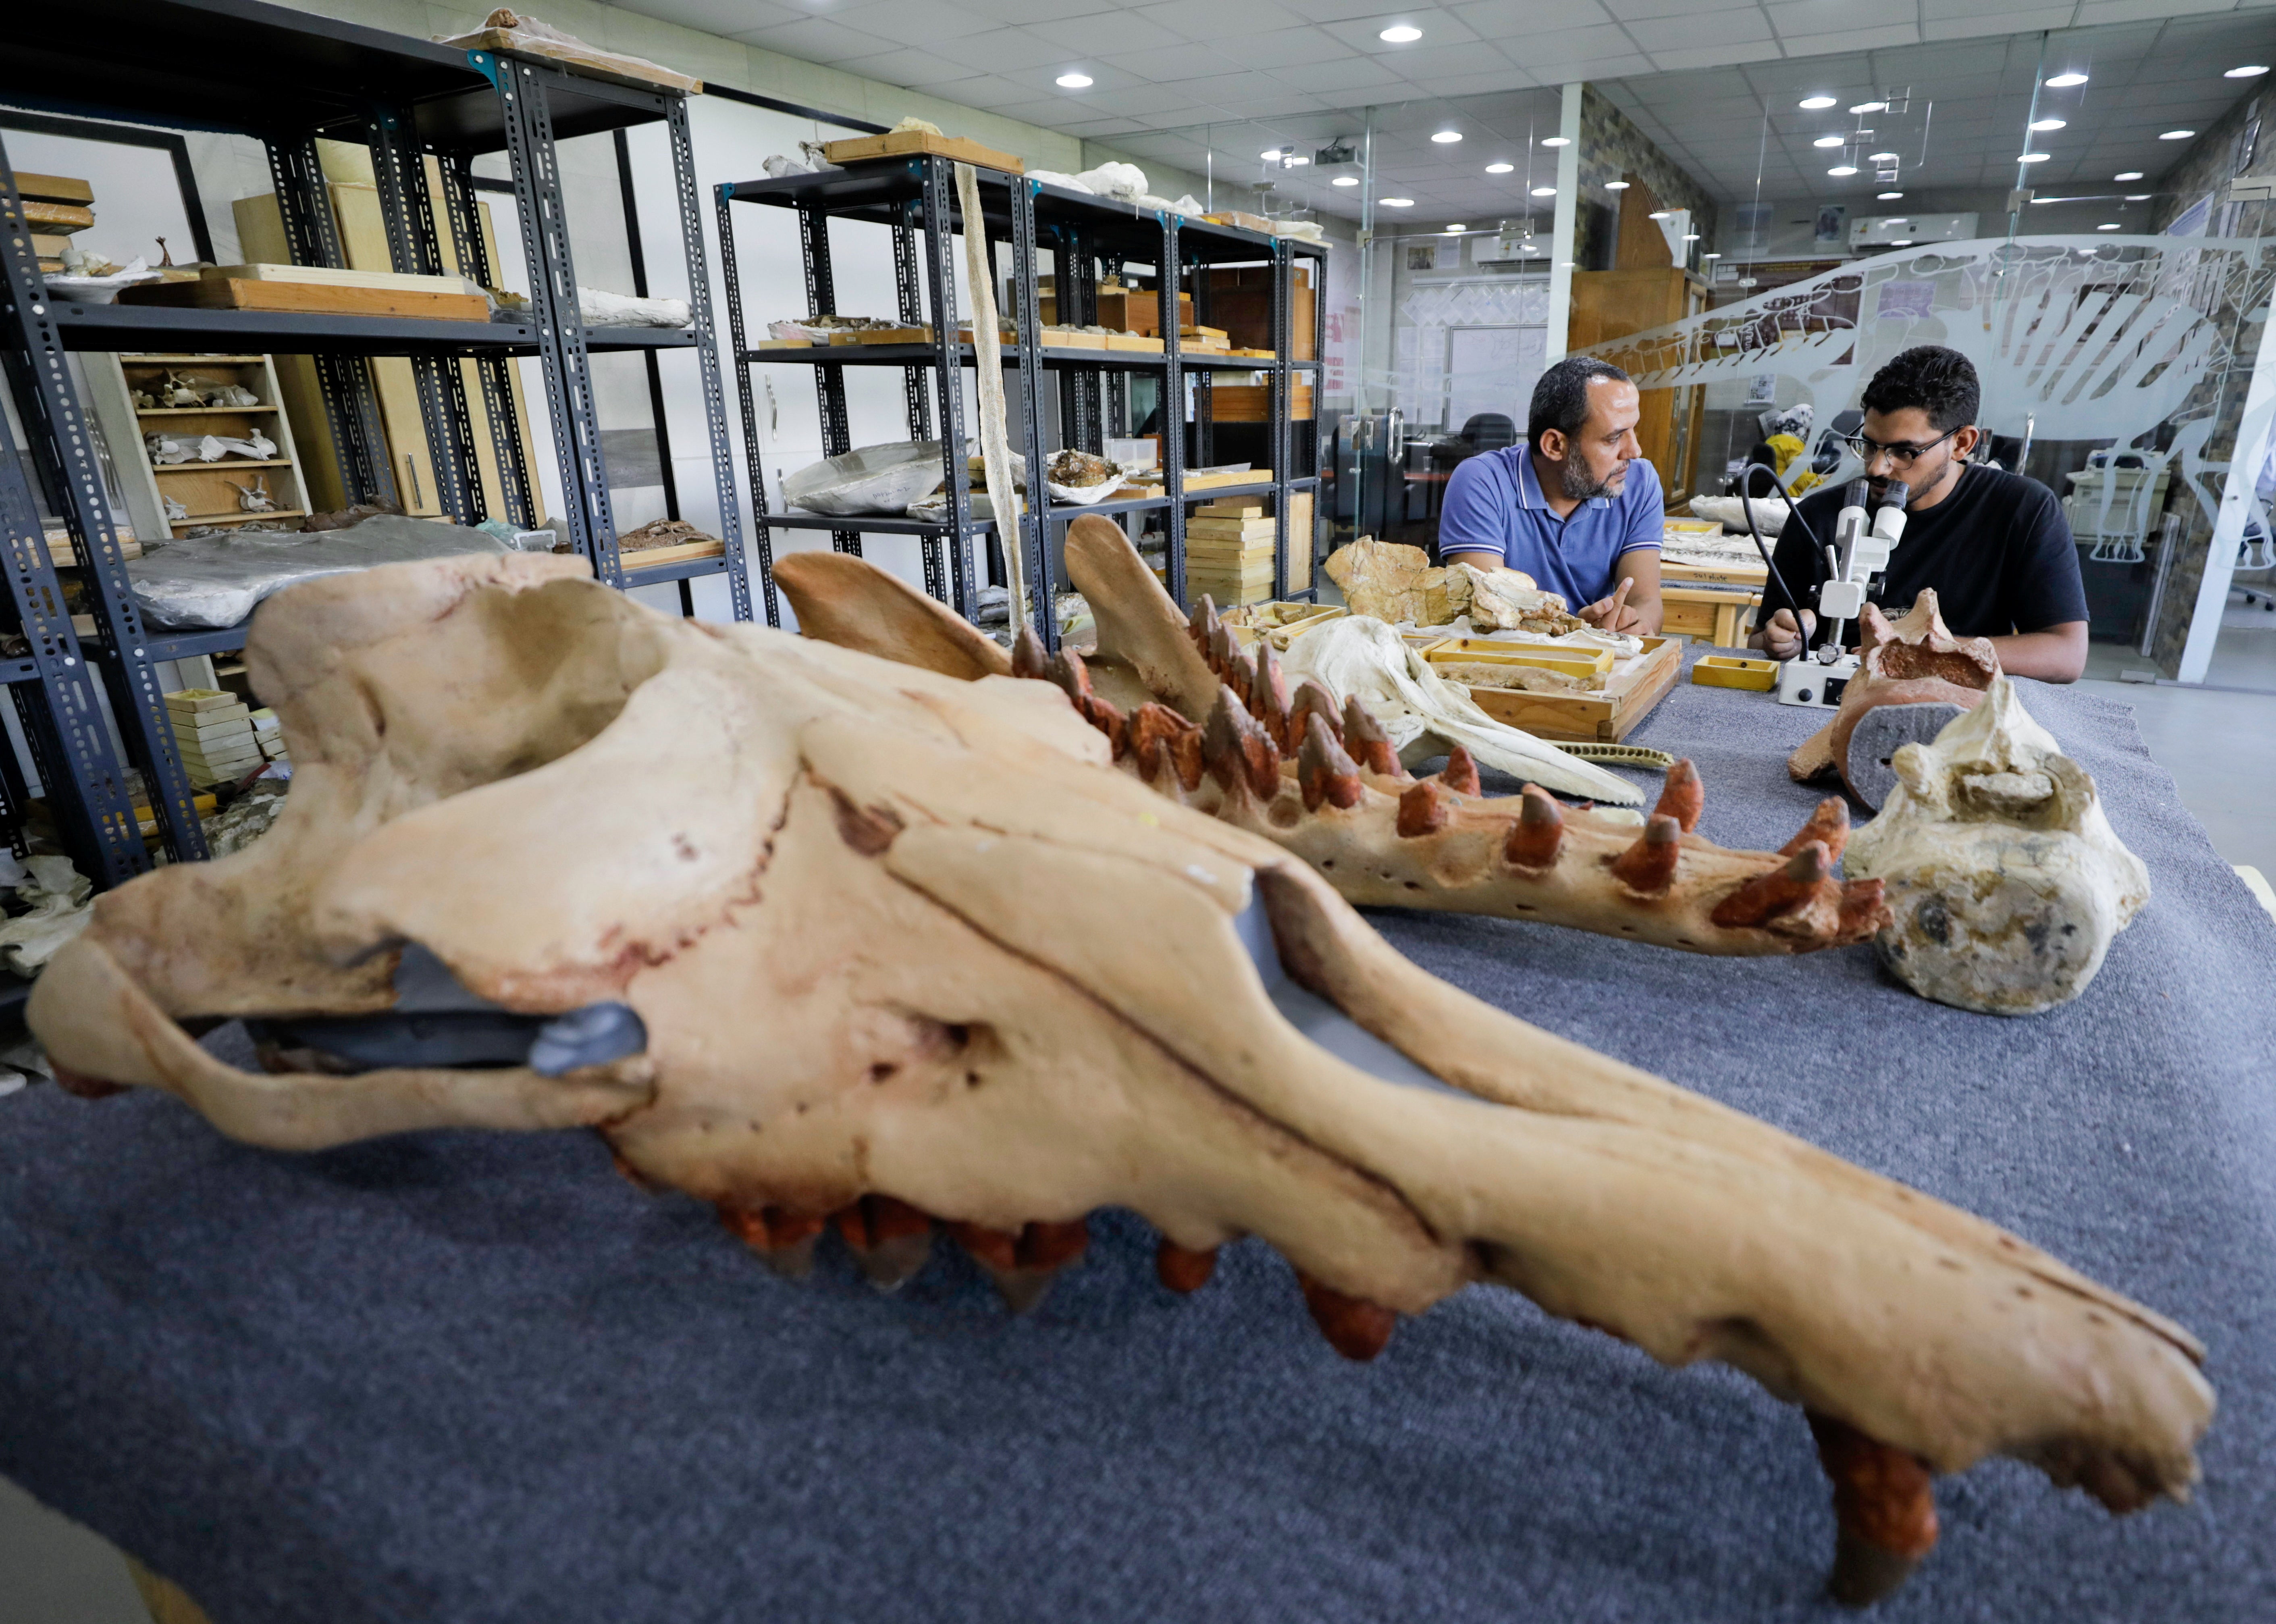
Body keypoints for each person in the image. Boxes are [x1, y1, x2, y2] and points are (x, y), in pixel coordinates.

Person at [1752, 345, 2089, 682]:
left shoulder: (2022, 509)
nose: (1877, 468)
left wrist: (1932, 650)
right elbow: (1757, 640)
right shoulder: (1817, 515)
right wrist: (1781, 640)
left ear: (1961, 443)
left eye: (1904, 452)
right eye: (1869, 445)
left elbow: (2065, 655)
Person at [1436, 356, 1663, 634]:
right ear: (1555, 445)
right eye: (1613, 438)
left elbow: (1647, 601)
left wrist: (1631, 623)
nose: (1634, 451)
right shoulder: (1482, 481)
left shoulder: (1639, 482)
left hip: (1597, 660)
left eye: (1633, 429)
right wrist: (1575, 630)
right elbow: (1483, 619)